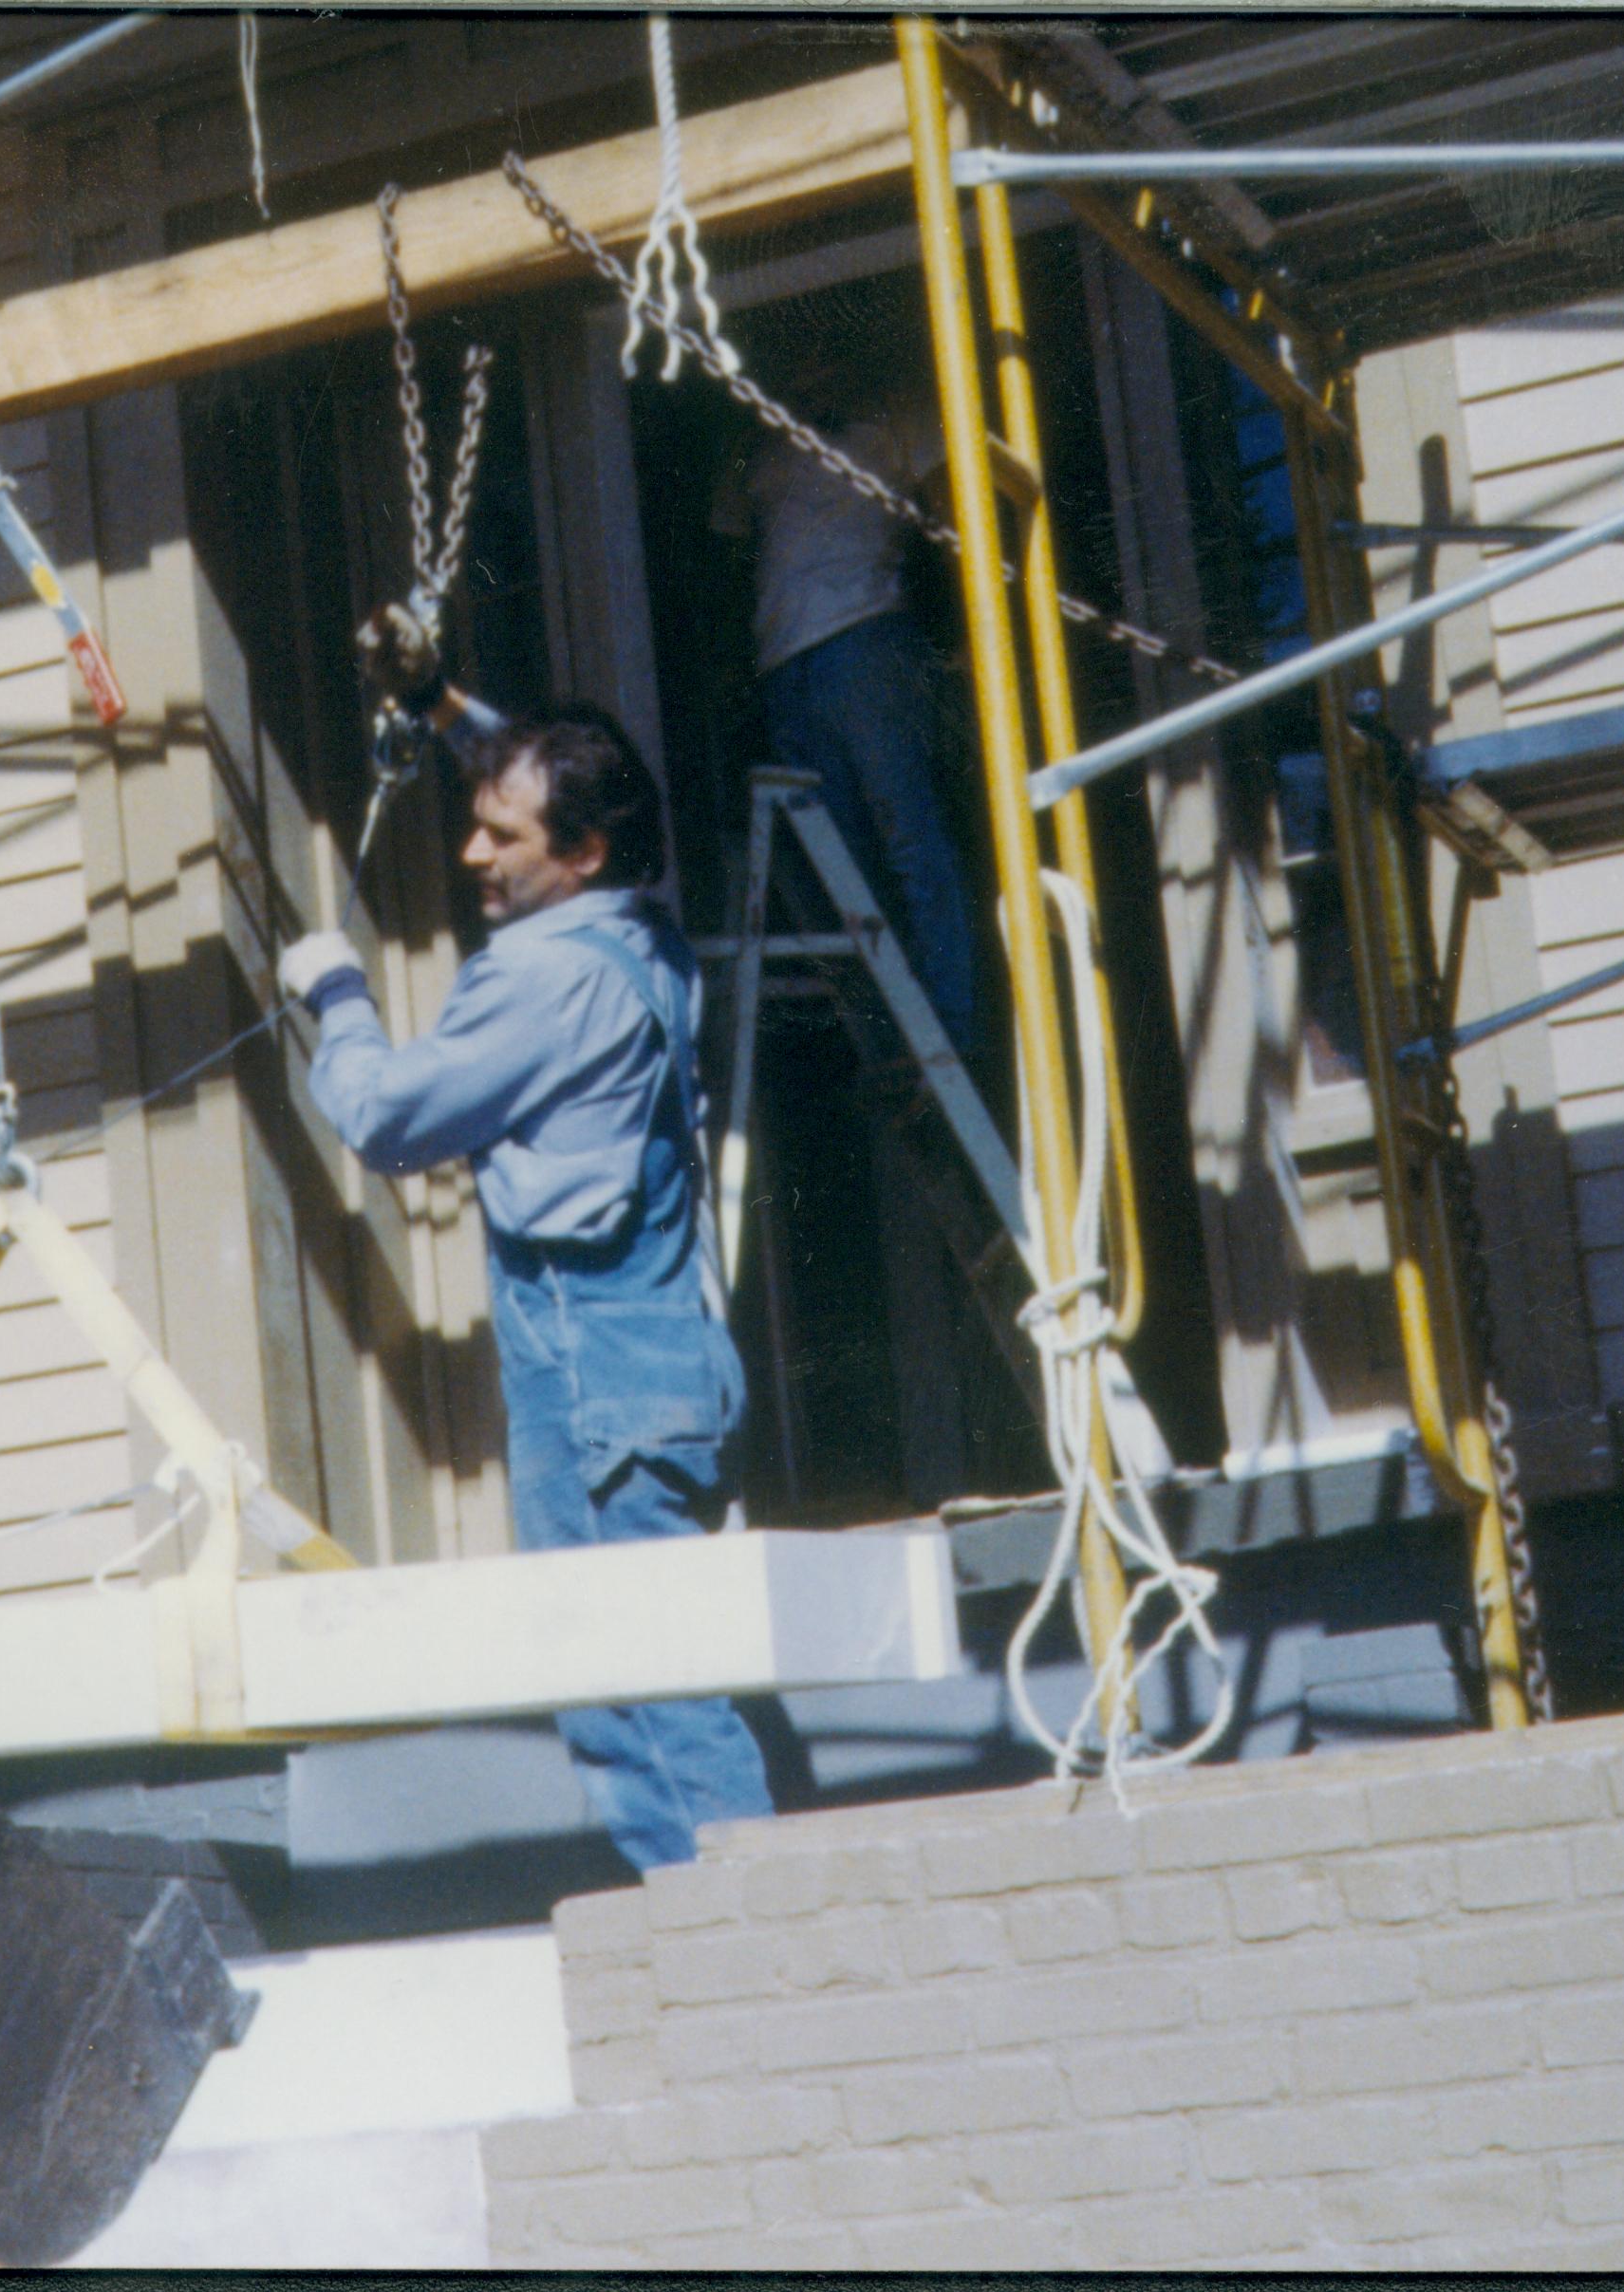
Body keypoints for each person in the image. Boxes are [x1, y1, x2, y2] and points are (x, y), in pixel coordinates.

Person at [276, 705, 775, 1870]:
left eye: (501, 836)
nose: (471, 856)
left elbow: (388, 1121)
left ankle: (736, 1943)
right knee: (655, 1675)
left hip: (594, 1391)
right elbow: (566, 777)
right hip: (667, 1381)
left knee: (633, 1694)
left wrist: (337, 995)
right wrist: (454, 711)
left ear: (583, 852)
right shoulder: (640, 938)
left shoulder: (544, 978)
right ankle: (730, 1931)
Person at [713, 336, 980, 1058]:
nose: (810, 364)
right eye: (797, 353)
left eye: (824, 348)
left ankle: (950, 1039)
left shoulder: (895, 406)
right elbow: (733, 558)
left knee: (909, 840)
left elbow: (952, 517)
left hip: (867, 642)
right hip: (782, 669)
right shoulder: (757, 436)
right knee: (847, 876)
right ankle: (900, 1048)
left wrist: (967, 627)